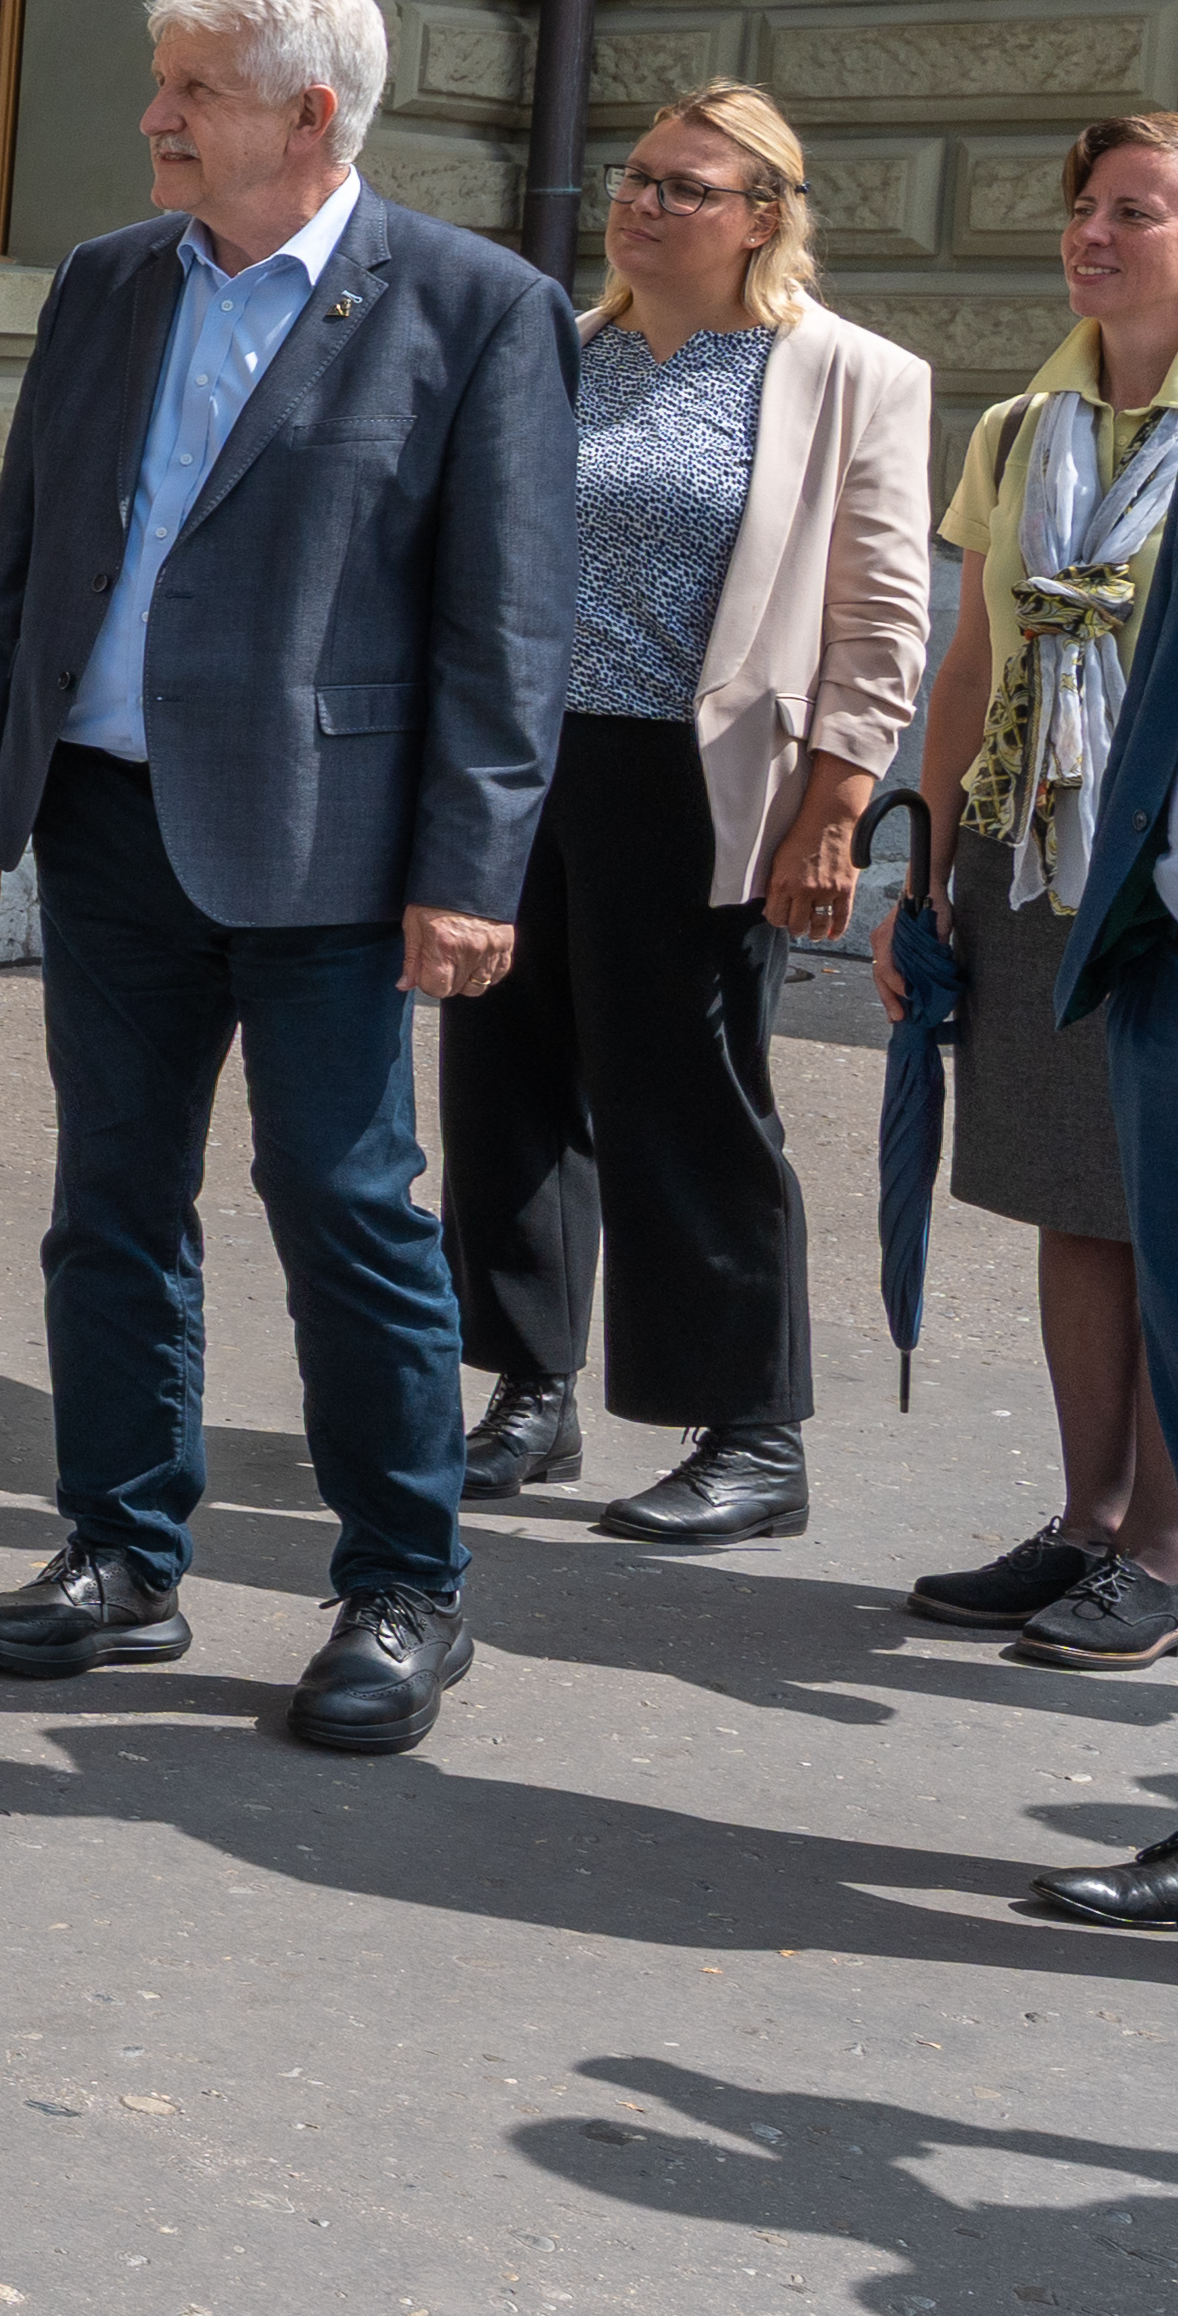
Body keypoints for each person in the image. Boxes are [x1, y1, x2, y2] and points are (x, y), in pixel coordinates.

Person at [0, 0, 573, 1758]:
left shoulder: (470, 307)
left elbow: (509, 624)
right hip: (110, 820)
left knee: (346, 1209)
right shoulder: (113, 283)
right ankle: (120, 1555)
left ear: (306, 113)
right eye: (164, 85)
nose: (154, 119)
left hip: (336, 851)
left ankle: (402, 1589)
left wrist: (473, 864)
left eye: (189, 93)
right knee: (110, 1207)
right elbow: (32, 549)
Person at [441, 89, 930, 1552]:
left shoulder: (845, 374)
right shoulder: (561, 356)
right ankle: (531, 1388)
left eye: (687, 188)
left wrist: (835, 812)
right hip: (523, 770)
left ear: (765, 215)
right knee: (506, 1081)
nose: (644, 206)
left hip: (700, 783)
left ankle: (752, 1434)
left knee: (692, 1101)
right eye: (636, 180)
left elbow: (882, 617)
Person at [909, 115, 1178, 1677]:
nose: (1095, 234)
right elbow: (968, 658)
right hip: (1032, 848)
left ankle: (1161, 1546)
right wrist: (927, 861)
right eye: (1085, 208)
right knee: (1074, 1198)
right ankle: (1087, 1522)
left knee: (1174, 1209)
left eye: (1135, 211)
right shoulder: (1019, 429)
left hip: (1160, 870)